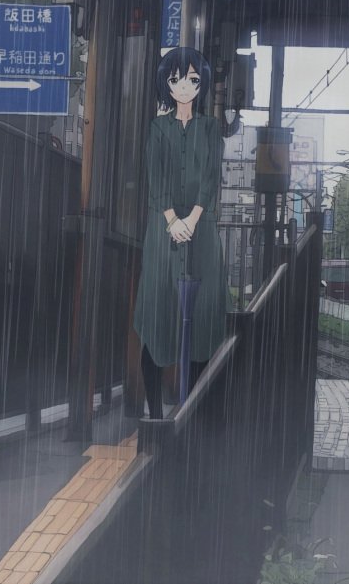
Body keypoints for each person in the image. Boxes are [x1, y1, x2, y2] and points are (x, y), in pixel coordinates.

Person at [133, 47, 228, 418]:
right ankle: (156, 414)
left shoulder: (210, 128)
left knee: (204, 321)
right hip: (162, 231)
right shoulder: (158, 128)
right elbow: (154, 177)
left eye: (191, 79)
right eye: (175, 79)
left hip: (202, 231)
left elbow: (211, 177)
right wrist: (173, 219)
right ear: (166, 84)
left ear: (201, 84)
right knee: (157, 318)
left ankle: (196, 411)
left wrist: (192, 218)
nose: (184, 87)